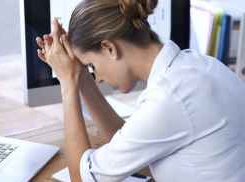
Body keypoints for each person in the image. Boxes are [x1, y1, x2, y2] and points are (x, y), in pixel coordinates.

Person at [36, 0, 245, 181]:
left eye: (92, 66)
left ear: (109, 48)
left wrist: (67, 81)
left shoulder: (169, 97)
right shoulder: (195, 66)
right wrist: (79, 76)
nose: (97, 78)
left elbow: (82, 179)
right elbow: (127, 142)